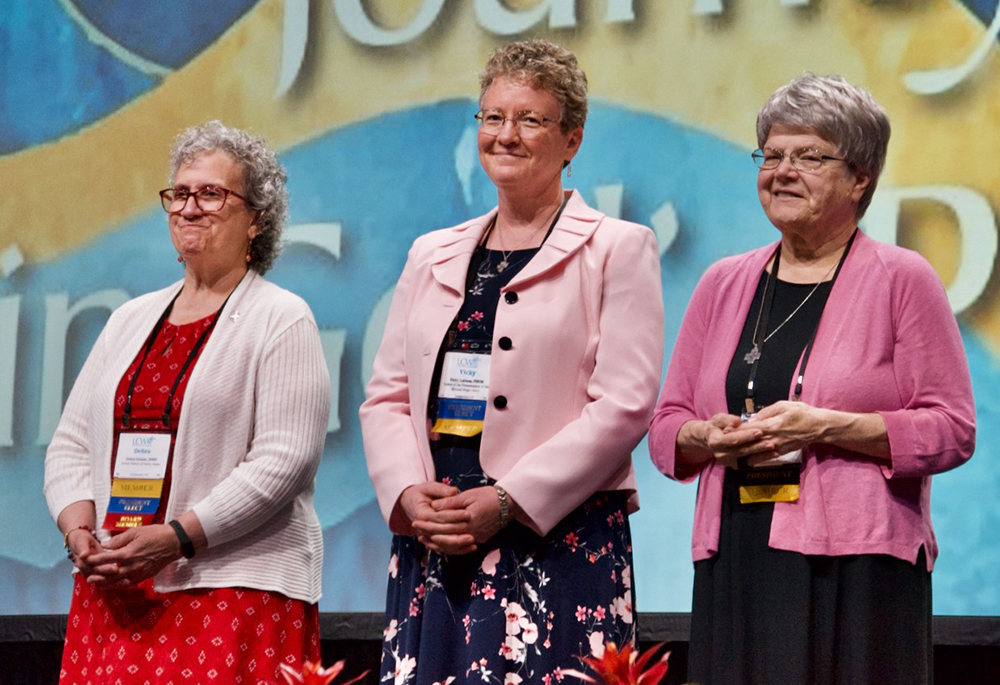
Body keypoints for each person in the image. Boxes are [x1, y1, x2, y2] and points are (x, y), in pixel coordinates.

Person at [649, 74, 976, 685]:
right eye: (772, 155)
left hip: (857, 570)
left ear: (861, 178)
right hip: (739, 558)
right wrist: (708, 438)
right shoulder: (722, 282)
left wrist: (827, 426)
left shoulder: (903, 278)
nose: (783, 171)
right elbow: (666, 429)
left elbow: (952, 429)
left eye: (809, 156)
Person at [360, 39, 664, 683]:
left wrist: (508, 499)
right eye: (493, 117)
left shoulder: (617, 248)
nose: (506, 135)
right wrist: (411, 497)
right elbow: (386, 394)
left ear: (572, 139)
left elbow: (626, 403)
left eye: (530, 120)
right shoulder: (431, 252)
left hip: (556, 541)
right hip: (435, 538)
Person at [44, 121, 330, 684]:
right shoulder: (129, 319)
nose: (189, 208)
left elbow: (284, 461)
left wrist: (175, 539)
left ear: (257, 221)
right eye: (180, 193)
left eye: (211, 193)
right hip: (117, 592)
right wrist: (80, 534)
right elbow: (71, 444)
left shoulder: (282, 316)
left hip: (229, 594)